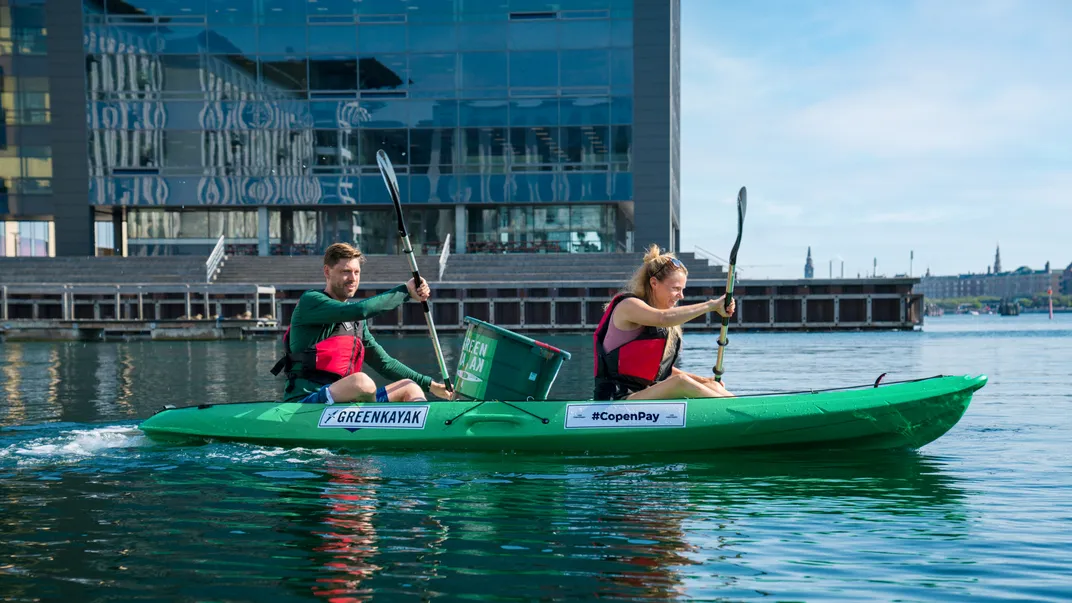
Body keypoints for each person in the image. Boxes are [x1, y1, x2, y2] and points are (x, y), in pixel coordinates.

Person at [271, 243, 451, 405]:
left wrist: (432, 385)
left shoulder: (357, 323)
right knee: (362, 382)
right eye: (345, 272)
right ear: (327, 271)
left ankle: (422, 427)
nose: (352, 278)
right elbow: (359, 310)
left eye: (356, 272)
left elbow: (384, 363)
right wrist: (406, 292)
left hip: (346, 402)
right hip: (306, 402)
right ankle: (370, 424)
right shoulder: (311, 301)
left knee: (410, 387)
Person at [593, 244, 736, 401]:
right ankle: (743, 413)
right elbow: (663, 318)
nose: (680, 296)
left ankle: (746, 410)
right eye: (675, 288)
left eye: (682, 289)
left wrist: (704, 381)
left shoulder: (656, 317)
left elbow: (661, 370)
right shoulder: (628, 305)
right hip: (615, 399)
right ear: (654, 283)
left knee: (713, 385)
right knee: (680, 383)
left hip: (643, 395)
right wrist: (711, 305)